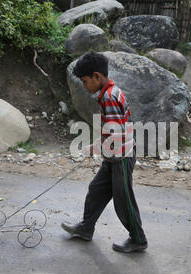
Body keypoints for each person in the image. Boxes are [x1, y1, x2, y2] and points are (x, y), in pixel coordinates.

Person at [61, 52, 148, 252]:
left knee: (123, 200)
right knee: (96, 190)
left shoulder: (109, 97)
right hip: (113, 156)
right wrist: (96, 145)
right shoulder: (109, 93)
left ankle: (138, 239)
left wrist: (100, 147)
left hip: (121, 158)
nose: (84, 85)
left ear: (97, 76)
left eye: (85, 81)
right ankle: (85, 228)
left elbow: (116, 133)